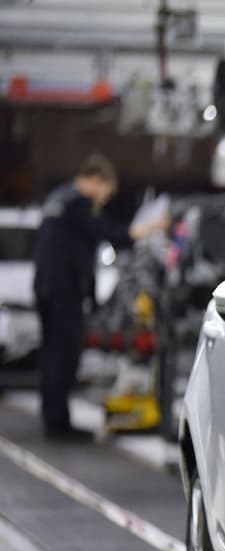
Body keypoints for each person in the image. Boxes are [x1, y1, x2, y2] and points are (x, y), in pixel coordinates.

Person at [32, 154, 164, 441]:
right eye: (107, 191)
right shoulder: (80, 204)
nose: (104, 200)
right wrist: (152, 227)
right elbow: (111, 233)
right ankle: (58, 425)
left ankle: (53, 419)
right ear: (96, 180)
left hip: (46, 287)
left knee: (51, 355)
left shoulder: (58, 198)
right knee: (63, 357)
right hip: (65, 290)